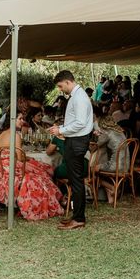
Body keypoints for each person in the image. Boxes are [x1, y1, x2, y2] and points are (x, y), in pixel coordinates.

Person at [0, 112, 64, 220]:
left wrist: (26, 158)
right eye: (20, 119)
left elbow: (3, 154)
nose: (22, 121)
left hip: (0, 171)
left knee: (37, 167)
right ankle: (48, 202)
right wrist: (27, 158)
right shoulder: (15, 135)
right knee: (41, 173)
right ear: (12, 120)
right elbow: (19, 158)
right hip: (12, 171)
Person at [48, 70, 94, 230]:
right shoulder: (77, 96)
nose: (60, 89)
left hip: (76, 142)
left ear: (68, 82)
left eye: (61, 86)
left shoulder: (80, 98)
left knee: (76, 182)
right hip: (74, 141)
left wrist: (60, 130)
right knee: (75, 180)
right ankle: (76, 216)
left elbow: (80, 123)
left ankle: (79, 218)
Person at [93, 114, 129, 204]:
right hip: (126, 165)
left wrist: (97, 135)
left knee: (92, 169)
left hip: (115, 166)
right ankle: (110, 196)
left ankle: (112, 187)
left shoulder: (106, 133)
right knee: (100, 166)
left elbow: (94, 147)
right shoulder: (119, 131)